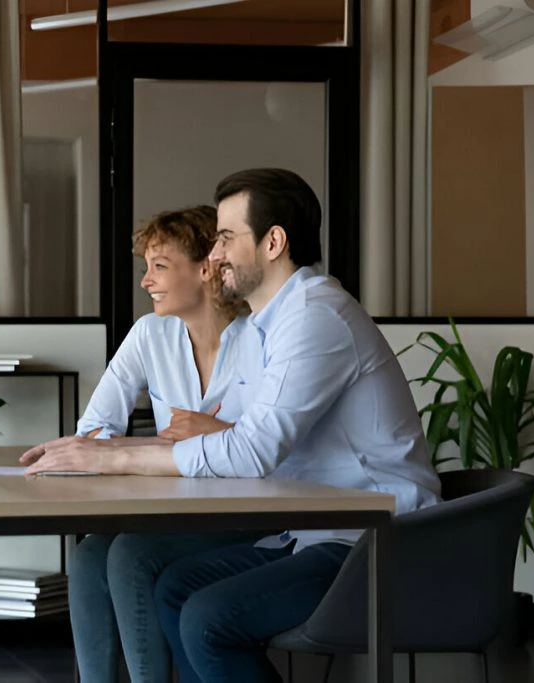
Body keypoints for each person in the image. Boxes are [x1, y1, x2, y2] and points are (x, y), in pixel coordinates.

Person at [24, 168, 441, 683]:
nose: (214, 254)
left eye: (225, 238)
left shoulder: (315, 318)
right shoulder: (273, 323)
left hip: (372, 542)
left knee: (204, 617)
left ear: (274, 242)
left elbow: (250, 451)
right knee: (175, 587)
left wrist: (112, 455)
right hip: (312, 532)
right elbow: (236, 435)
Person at [26, 206, 258, 683]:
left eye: (159, 266)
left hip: (252, 519)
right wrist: (162, 444)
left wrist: (211, 436)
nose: (145, 281)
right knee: (89, 555)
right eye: (145, 267)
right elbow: (93, 430)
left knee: (130, 554)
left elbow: (265, 448)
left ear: (206, 267)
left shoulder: (259, 337)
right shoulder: (150, 334)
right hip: (179, 512)